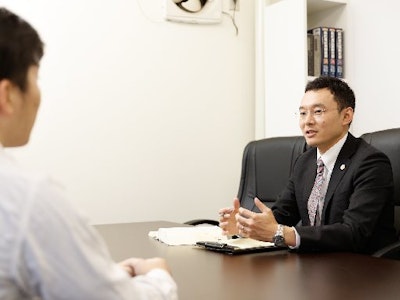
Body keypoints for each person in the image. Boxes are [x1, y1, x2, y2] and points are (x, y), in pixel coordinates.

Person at [0, 7, 177, 300]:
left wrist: (95, 277)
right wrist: (159, 275)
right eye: (36, 79)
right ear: (7, 95)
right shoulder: (26, 199)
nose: (37, 96)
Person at [219, 76, 397, 254]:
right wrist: (247, 226)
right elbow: (282, 215)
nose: (307, 121)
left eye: (318, 112)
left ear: (346, 116)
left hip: (361, 269)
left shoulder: (370, 163)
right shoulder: (305, 161)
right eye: (303, 113)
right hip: (314, 265)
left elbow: (353, 232)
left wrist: (282, 233)